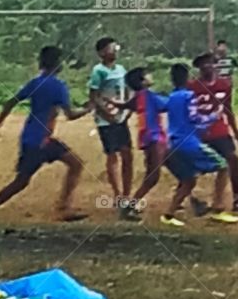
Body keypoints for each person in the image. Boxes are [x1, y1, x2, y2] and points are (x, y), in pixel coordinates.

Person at [0, 46, 89, 222]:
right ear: (58, 64)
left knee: (72, 164)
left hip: (31, 137)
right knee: (23, 181)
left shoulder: (36, 83)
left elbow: (10, 103)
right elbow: (70, 115)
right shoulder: (58, 86)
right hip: (41, 140)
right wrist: (89, 109)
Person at [160, 62, 228, 228]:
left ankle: (169, 215)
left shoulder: (171, 97)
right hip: (188, 142)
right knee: (223, 165)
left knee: (188, 180)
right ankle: (218, 207)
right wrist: (214, 116)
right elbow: (194, 117)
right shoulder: (188, 96)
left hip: (173, 143)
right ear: (188, 78)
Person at [190, 52, 238, 219]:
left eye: (210, 63)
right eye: (203, 64)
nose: (207, 66)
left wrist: (237, 134)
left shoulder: (224, 85)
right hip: (200, 132)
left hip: (220, 131)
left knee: (233, 159)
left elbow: (229, 110)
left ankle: (237, 197)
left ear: (215, 65)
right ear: (198, 68)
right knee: (190, 166)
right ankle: (188, 197)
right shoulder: (192, 87)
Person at [88, 36, 136, 219]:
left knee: (127, 154)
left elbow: (127, 90)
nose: (114, 51)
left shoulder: (121, 69)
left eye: (115, 47)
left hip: (120, 117)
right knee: (112, 155)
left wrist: (126, 108)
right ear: (101, 53)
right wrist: (106, 114)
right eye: (109, 48)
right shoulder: (98, 71)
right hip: (106, 120)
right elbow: (94, 95)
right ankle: (118, 194)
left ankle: (127, 193)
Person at [125, 67, 170, 210]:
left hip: (147, 138)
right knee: (153, 176)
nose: (151, 76)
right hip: (156, 138)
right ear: (143, 81)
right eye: (147, 75)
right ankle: (132, 204)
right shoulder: (150, 96)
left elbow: (128, 105)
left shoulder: (138, 97)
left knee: (176, 167)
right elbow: (166, 105)